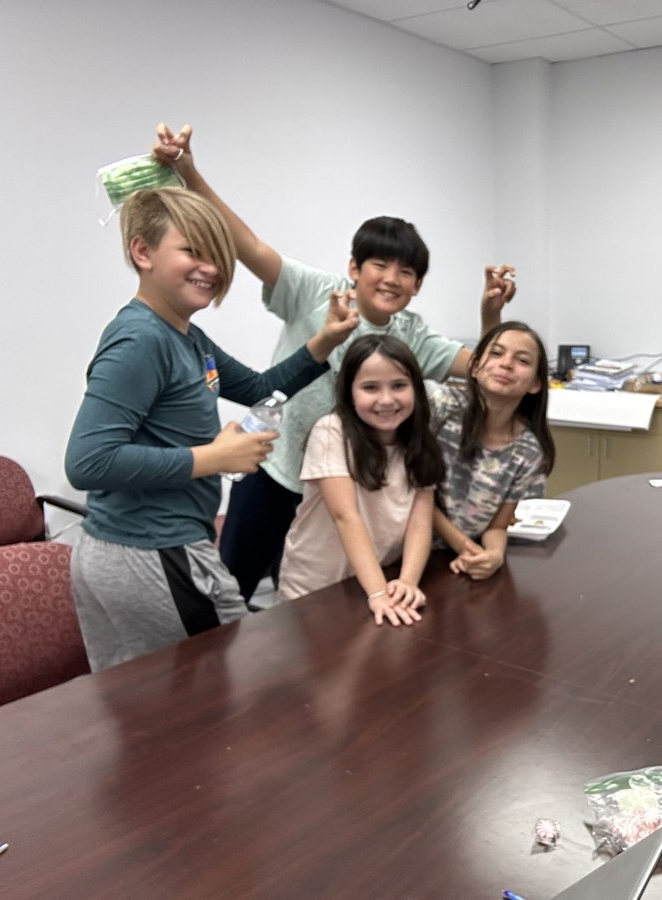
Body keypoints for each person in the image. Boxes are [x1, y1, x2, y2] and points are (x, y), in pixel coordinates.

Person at [151, 123, 517, 602]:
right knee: (231, 589)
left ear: (417, 285)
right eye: (379, 266)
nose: (391, 280)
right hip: (276, 468)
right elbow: (247, 245)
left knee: (311, 599)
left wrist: (491, 312)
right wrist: (187, 172)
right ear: (354, 269)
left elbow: (486, 370)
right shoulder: (314, 291)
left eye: (406, 272)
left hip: (345, 487)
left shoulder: (411, 333)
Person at [65, 187, 358, 672]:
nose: (212, 268)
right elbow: (87, 462)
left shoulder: (186, 335)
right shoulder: (141, 338)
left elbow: (260, 386)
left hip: (147, 549)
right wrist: (213, 459)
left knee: (150, 710)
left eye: (218, 256)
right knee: (216, 705)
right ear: (143, 252)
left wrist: (325, 339)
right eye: (193, 251)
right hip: (149, 552)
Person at [278, 335, 444, 625]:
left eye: (399, 386)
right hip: (316, 588)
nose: (386, 399)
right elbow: (346, 516)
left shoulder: (419, 440)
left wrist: (407, 582)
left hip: (371, 581)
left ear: (416, 389)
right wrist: (378, 593)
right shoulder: (331, 432)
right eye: (370, 388)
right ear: (349, 392)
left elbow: (420, 521)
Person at [430, 320, 555, 580]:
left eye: (522, 360)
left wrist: (494, 554)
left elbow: (498, 525)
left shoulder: (529, 451)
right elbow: (414, 498)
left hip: (462, 562)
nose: (506, 363)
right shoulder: (440, 408)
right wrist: (466, 547)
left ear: (535, 383)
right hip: (409, 552)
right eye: (496, 353)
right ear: (474, 367)